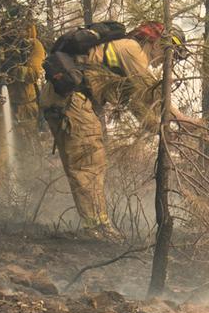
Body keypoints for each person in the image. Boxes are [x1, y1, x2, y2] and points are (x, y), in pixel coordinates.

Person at [38, 22, 158, 238]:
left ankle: (96, 225)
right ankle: (97, 228)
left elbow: (137, 103)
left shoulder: (119, 49)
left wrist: (155, 128)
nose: (163, 61)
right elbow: (150, 94)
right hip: (73, 100)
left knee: (86, 163)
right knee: (89, 163)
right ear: (154, 43)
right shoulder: (132, 50)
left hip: (63, 99)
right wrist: (176, 119)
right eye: (170, 53)